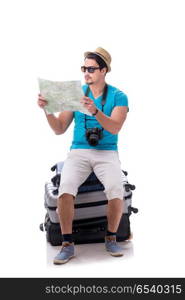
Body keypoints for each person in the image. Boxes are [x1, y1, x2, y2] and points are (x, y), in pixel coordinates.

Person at [37, 47, 129, 264]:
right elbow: (59, 128)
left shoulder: (119, 96)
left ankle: (111, 237)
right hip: (78, 151)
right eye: (83, 68)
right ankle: (67, 243)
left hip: (106, 152)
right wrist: (47, 110)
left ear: (104, 70)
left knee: (116, 188)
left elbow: (115, 127)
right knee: (65, 188)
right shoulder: (76, 95)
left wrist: (95, 111)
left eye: (91, 69)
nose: (86, 73)